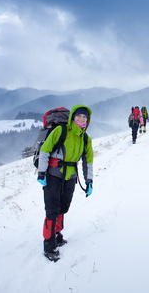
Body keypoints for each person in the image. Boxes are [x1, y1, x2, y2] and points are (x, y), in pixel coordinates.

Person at [37, 104, 94, 262]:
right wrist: (42, 172)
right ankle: (49, 245)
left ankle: (57, 234)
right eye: (79, 116)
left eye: (85, 117)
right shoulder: (61, 131)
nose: (82, 119)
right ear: (73, 117)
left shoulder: (85, 138)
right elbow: (45, 150)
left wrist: (89, 181)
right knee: (52, 209)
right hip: (53, 175)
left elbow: (88, 161)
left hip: (70, 177)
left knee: (63, 207)